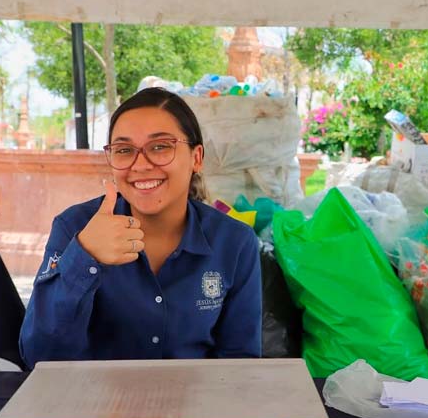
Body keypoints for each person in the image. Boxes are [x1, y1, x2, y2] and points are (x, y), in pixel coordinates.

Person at [19, 87, 262, 368]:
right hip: (94, 404)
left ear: (196, 158)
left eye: (160, 147)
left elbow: (239, 362)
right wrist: (84, 258)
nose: (141, 164)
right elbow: (39, 355)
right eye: (124, 150)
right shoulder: (75, 228)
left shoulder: (233, 242)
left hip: (197, 404)